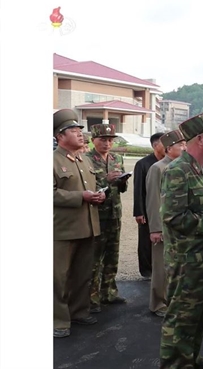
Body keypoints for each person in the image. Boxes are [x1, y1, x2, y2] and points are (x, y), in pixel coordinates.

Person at [159, 113, 203, 369]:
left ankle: (189, 357)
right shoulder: (178, 170)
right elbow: (172, 216)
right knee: (180, 316)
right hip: (187, 259)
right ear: (200, 139)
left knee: (197, 315)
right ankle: (174, 363)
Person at [53, 109, 104, 338]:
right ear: (60, 136)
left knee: (81, 274)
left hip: (87, 226)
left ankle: (79, 312)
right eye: (74, 131)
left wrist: (98, 196)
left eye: (80, 131)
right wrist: (80, 197)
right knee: (58, 277)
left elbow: (89, 188)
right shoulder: (52, 161)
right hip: (62, 229)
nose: (80, 135)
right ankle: (58, 320)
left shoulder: (83, 161)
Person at [86, 124, 131, 313]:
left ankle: (109, 292)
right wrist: (107, 179)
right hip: (97, 214)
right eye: (103, 139)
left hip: (114, 212)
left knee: (112, 254)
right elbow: (86, 185)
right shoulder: (86, 160)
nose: (107, 143)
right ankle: (91, 298)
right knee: (94, 257)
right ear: (93, 140)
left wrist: (122, 182)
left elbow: (121, 188)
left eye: (110, 140)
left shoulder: (116, 158)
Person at [145, 130, 186, 317]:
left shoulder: (182, 167)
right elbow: (153, 200)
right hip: (163, 226)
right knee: (161, 266)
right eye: (181, 145)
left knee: (177, 266)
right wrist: (155, 228)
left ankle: (172, 300)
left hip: (178, 225)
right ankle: (158, 303)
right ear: (169, 148)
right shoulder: (158, 168)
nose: (185, 148)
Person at [133, 132, 166, 280]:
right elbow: (138, 189)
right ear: (155, 145)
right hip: (147, 208)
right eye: (164, 143)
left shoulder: (169, 163)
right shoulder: (143, 164)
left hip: (164, 208)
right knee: (146, 240)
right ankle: (146, 270)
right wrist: (139, 212)